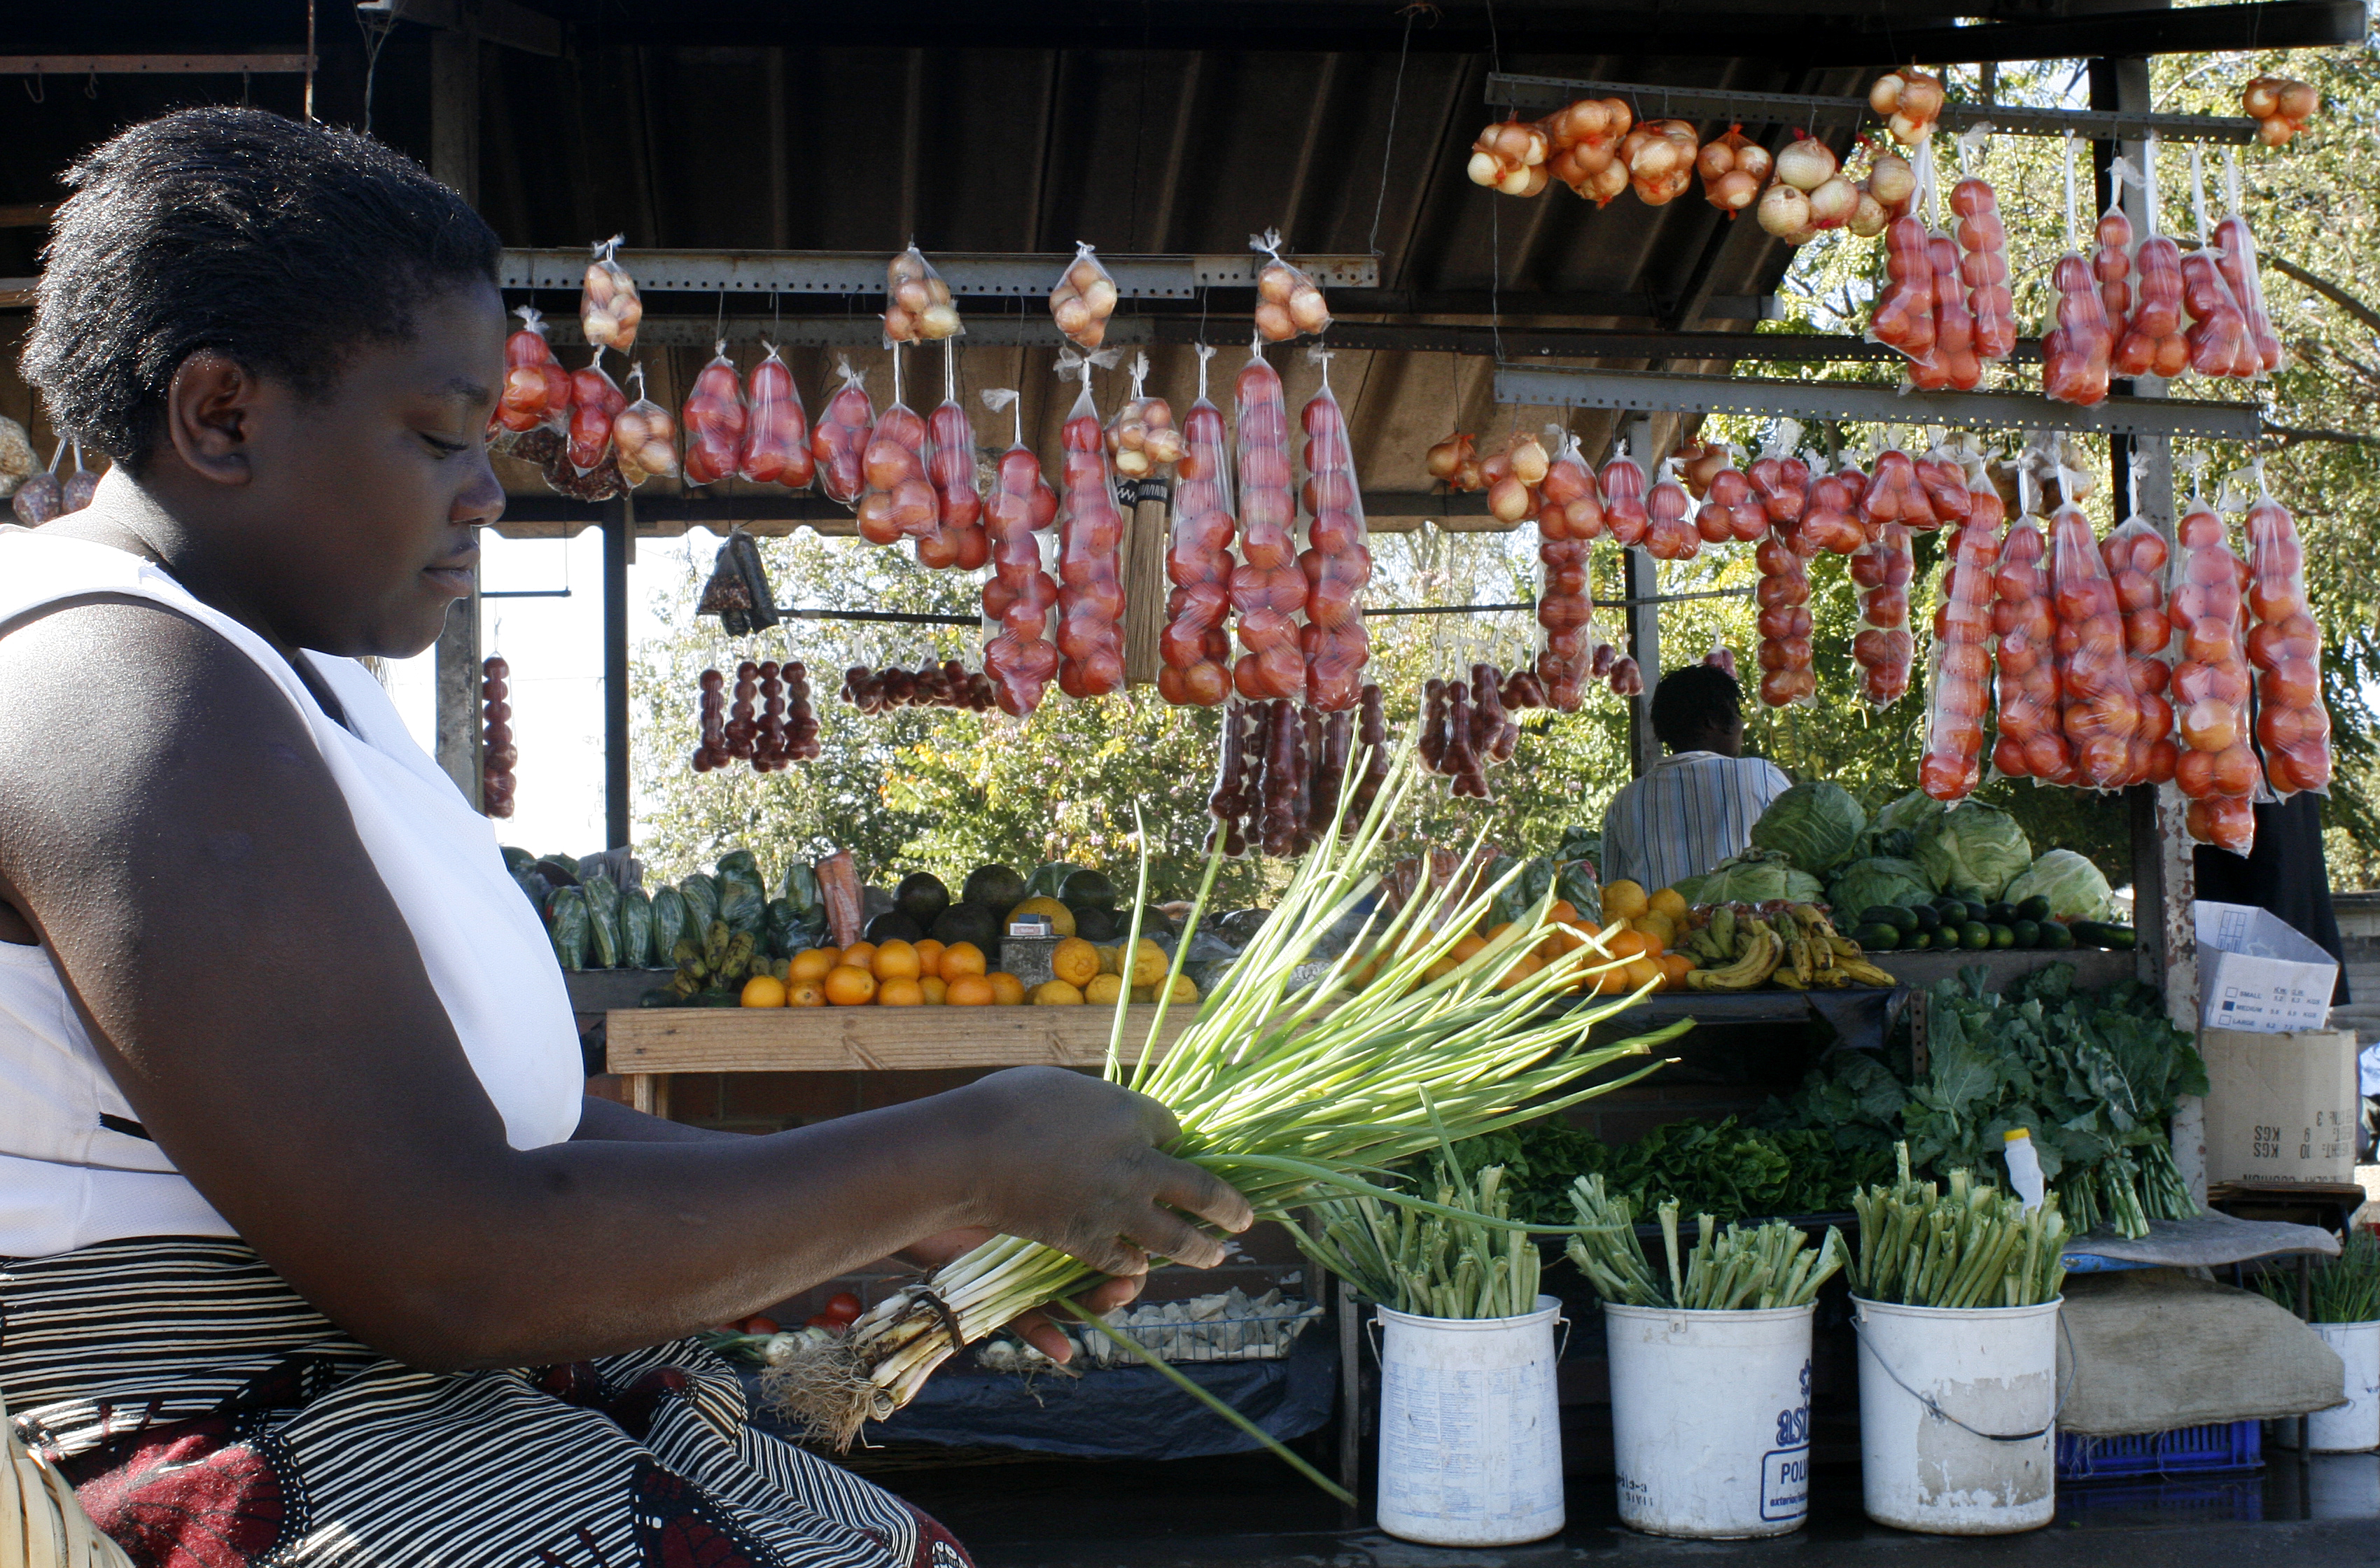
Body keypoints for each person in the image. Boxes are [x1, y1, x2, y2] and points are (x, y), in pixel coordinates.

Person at [0, 108, 1250, 1567]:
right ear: (223, 416)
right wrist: (961, 1158)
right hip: (228, 1421)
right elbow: (440, 1255)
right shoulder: (118, 688)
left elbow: (487, 1125)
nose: (485, 493)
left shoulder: (280, 669)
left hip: (387, 1383)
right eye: (435, 437)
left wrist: (884, 1213)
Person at [1597, 663, 1791, 893]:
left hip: (1659, 929)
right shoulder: (1759, 776)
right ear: (1714, 721)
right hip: (1752, 927)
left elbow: (1617, 895)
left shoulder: (1625, 802)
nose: (1741, 725)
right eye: (1737, 714)